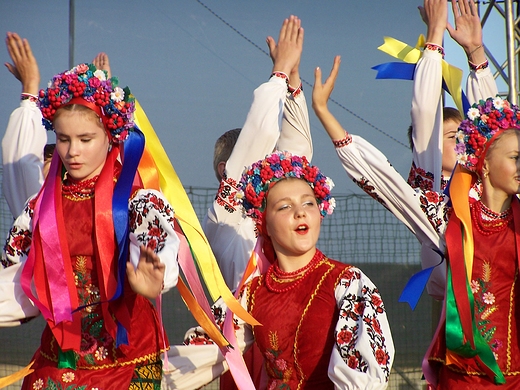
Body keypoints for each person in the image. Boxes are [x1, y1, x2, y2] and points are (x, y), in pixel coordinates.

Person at [0, 63, 180, 389]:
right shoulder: (40, 209)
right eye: (64, 139)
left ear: (110, 136)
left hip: (128, 365)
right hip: (59, 364)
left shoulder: (136, 203)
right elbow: (18, 286)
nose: (73, 151)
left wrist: (155, 276)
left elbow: (161, 251)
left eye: (86, 139)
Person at [163, 151, 394, 389]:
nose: (300, 212)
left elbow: (365, 374)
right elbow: (204, 352)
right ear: (264, 223)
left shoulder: (347, 283)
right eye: (284, 207)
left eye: (309, 203)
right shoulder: (251, 294)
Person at [203, 15, 312, 291]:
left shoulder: (272, 214)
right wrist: (279, 73)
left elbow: (296, 157)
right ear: (225, 169)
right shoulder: (223, 218)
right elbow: (258, 135)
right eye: (262, 162)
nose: (270, 170)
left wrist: (293, 81)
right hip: (239, 332)